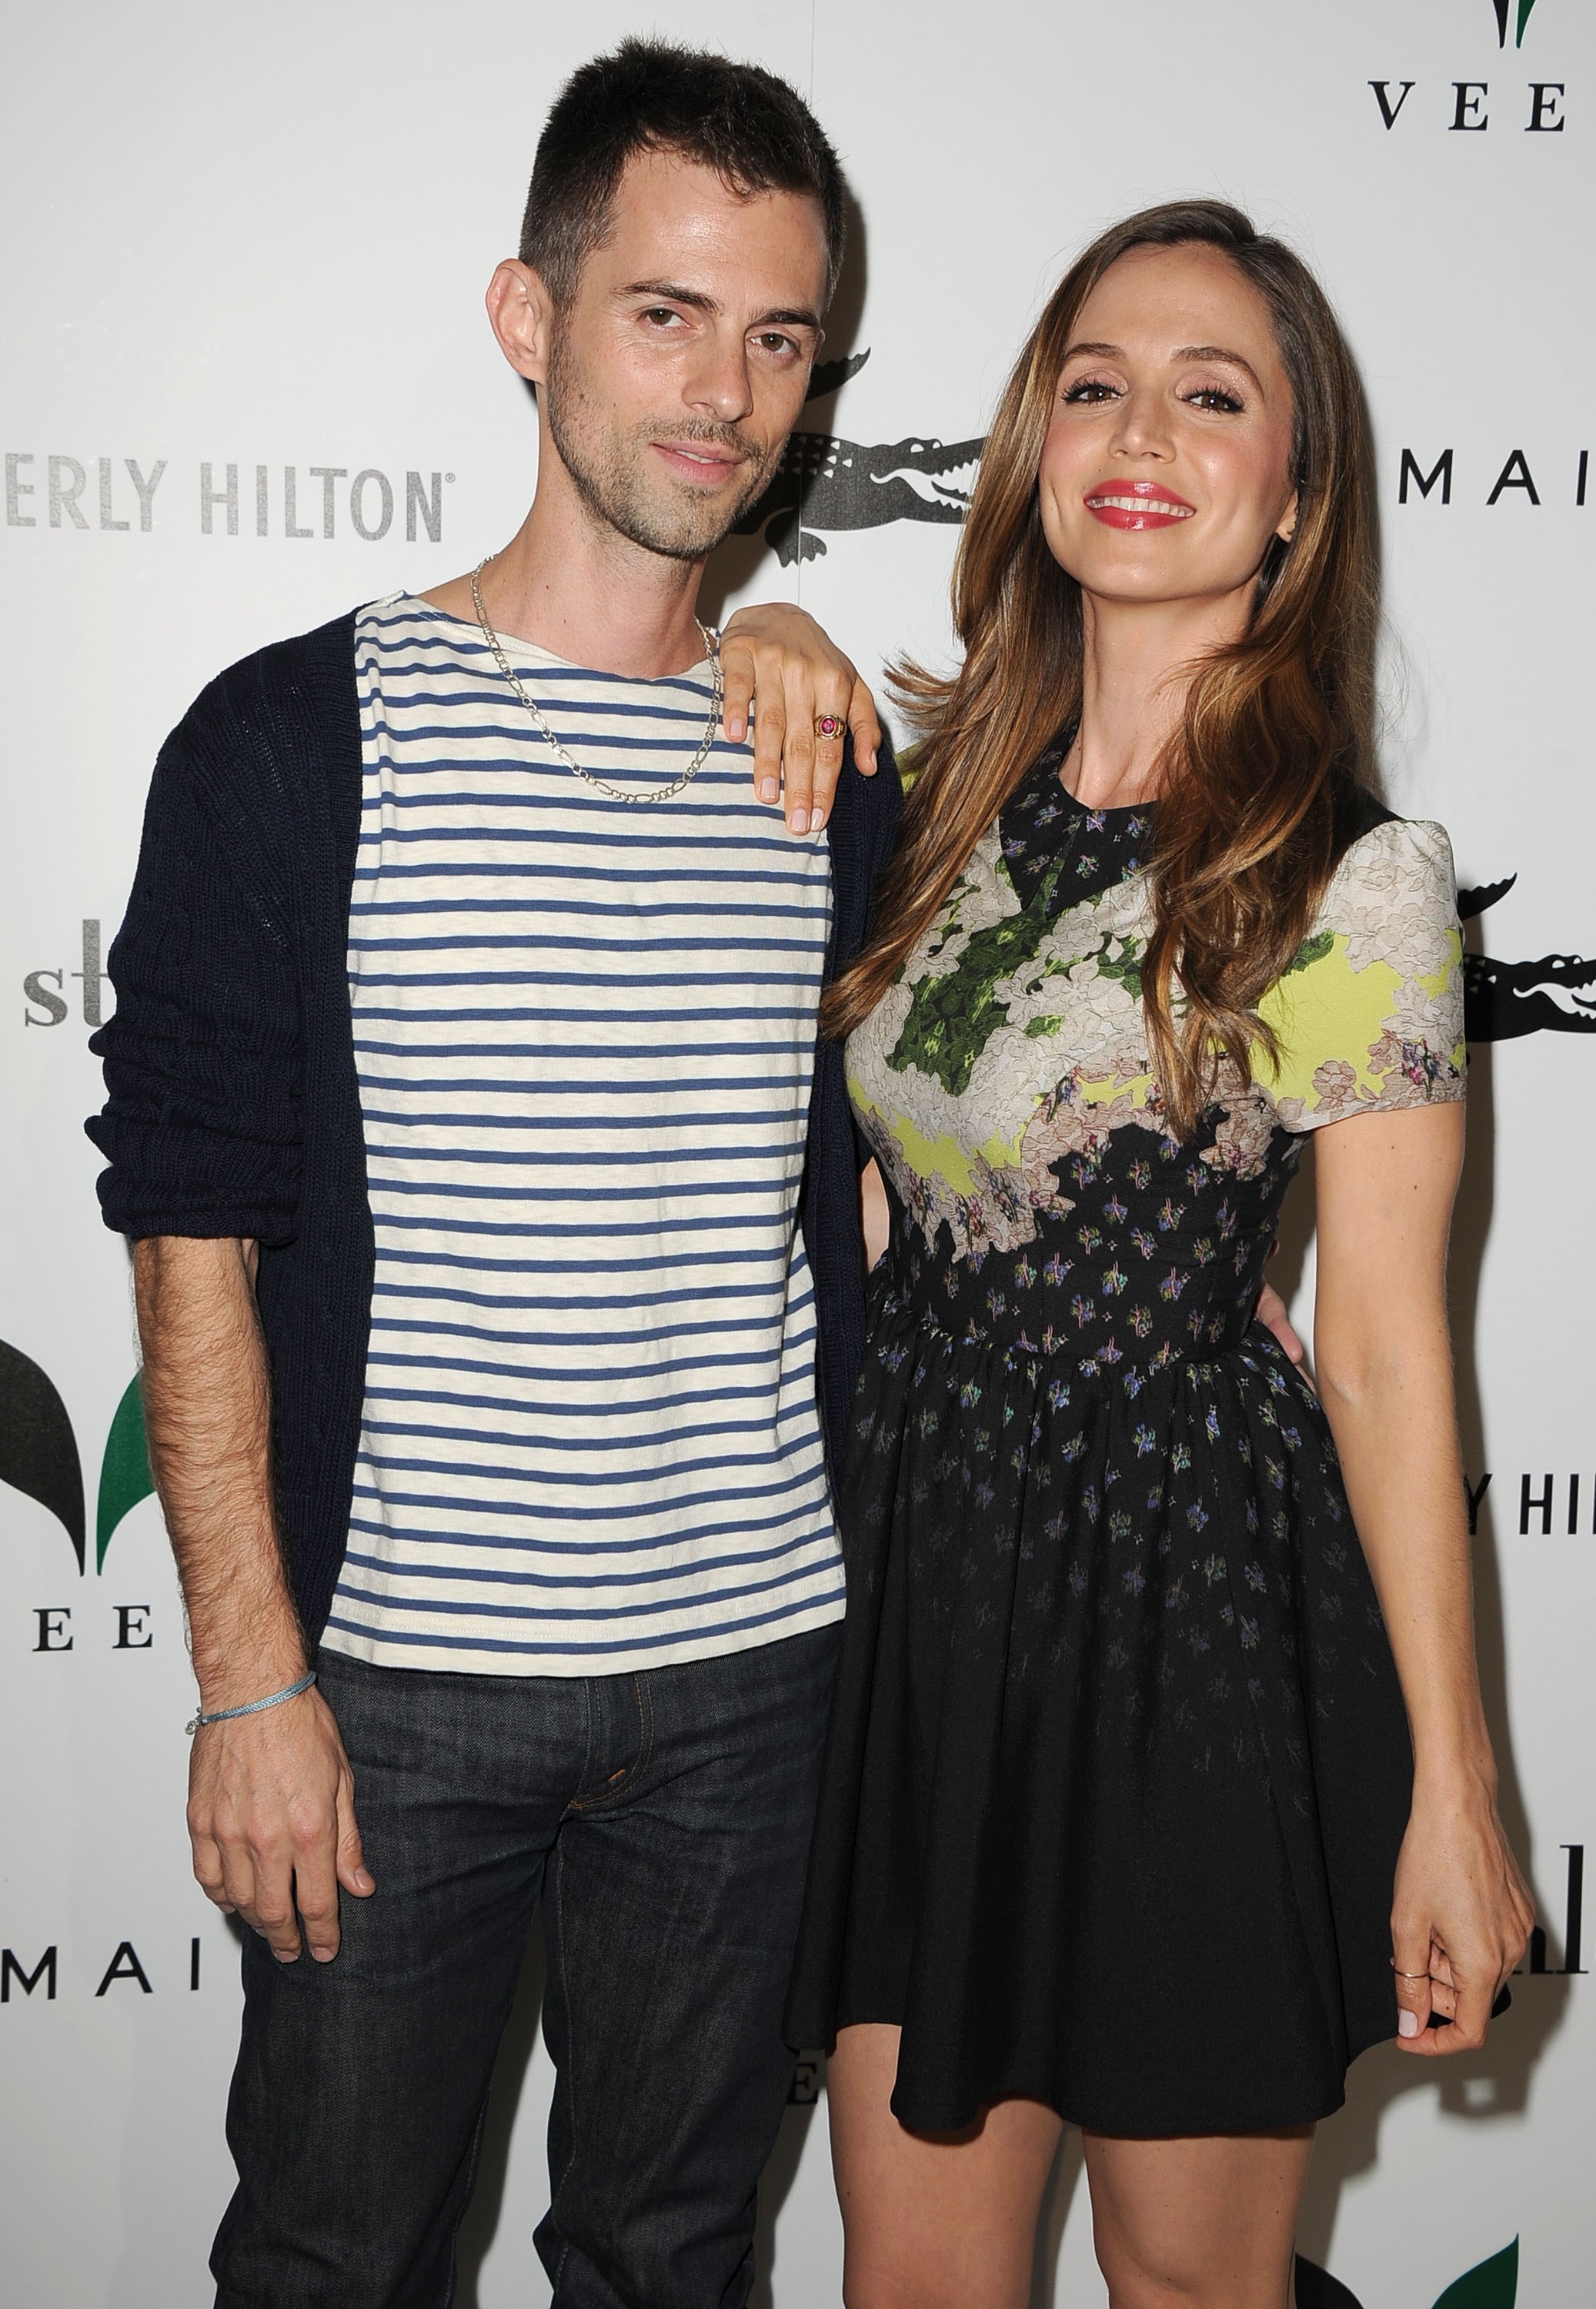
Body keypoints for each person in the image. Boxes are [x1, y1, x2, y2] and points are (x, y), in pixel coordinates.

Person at [86, 42, 896, 2309]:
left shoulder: (829, 768)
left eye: (778, 338)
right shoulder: (292, 739)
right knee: (329, 2260)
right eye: (665, 314)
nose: (724, 393)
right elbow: (190, 1234)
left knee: (672, 2260)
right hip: (395, 1691)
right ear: (527, 318)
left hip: (756, 1671)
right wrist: (248, 1682)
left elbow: (923, 1161)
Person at [778, 201, 1534, 2309]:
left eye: (1212, 396)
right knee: (910, 2281)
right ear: (1034, 446)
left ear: (1295, 493)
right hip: (918, 1593)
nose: (1138, 433)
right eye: (1093, 384)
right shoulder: (925, 810)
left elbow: (1383, 1350)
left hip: (1183, 1613)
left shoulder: (1346, 880)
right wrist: (771, 630)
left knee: (1191, 2287)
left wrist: (1455, 1789)